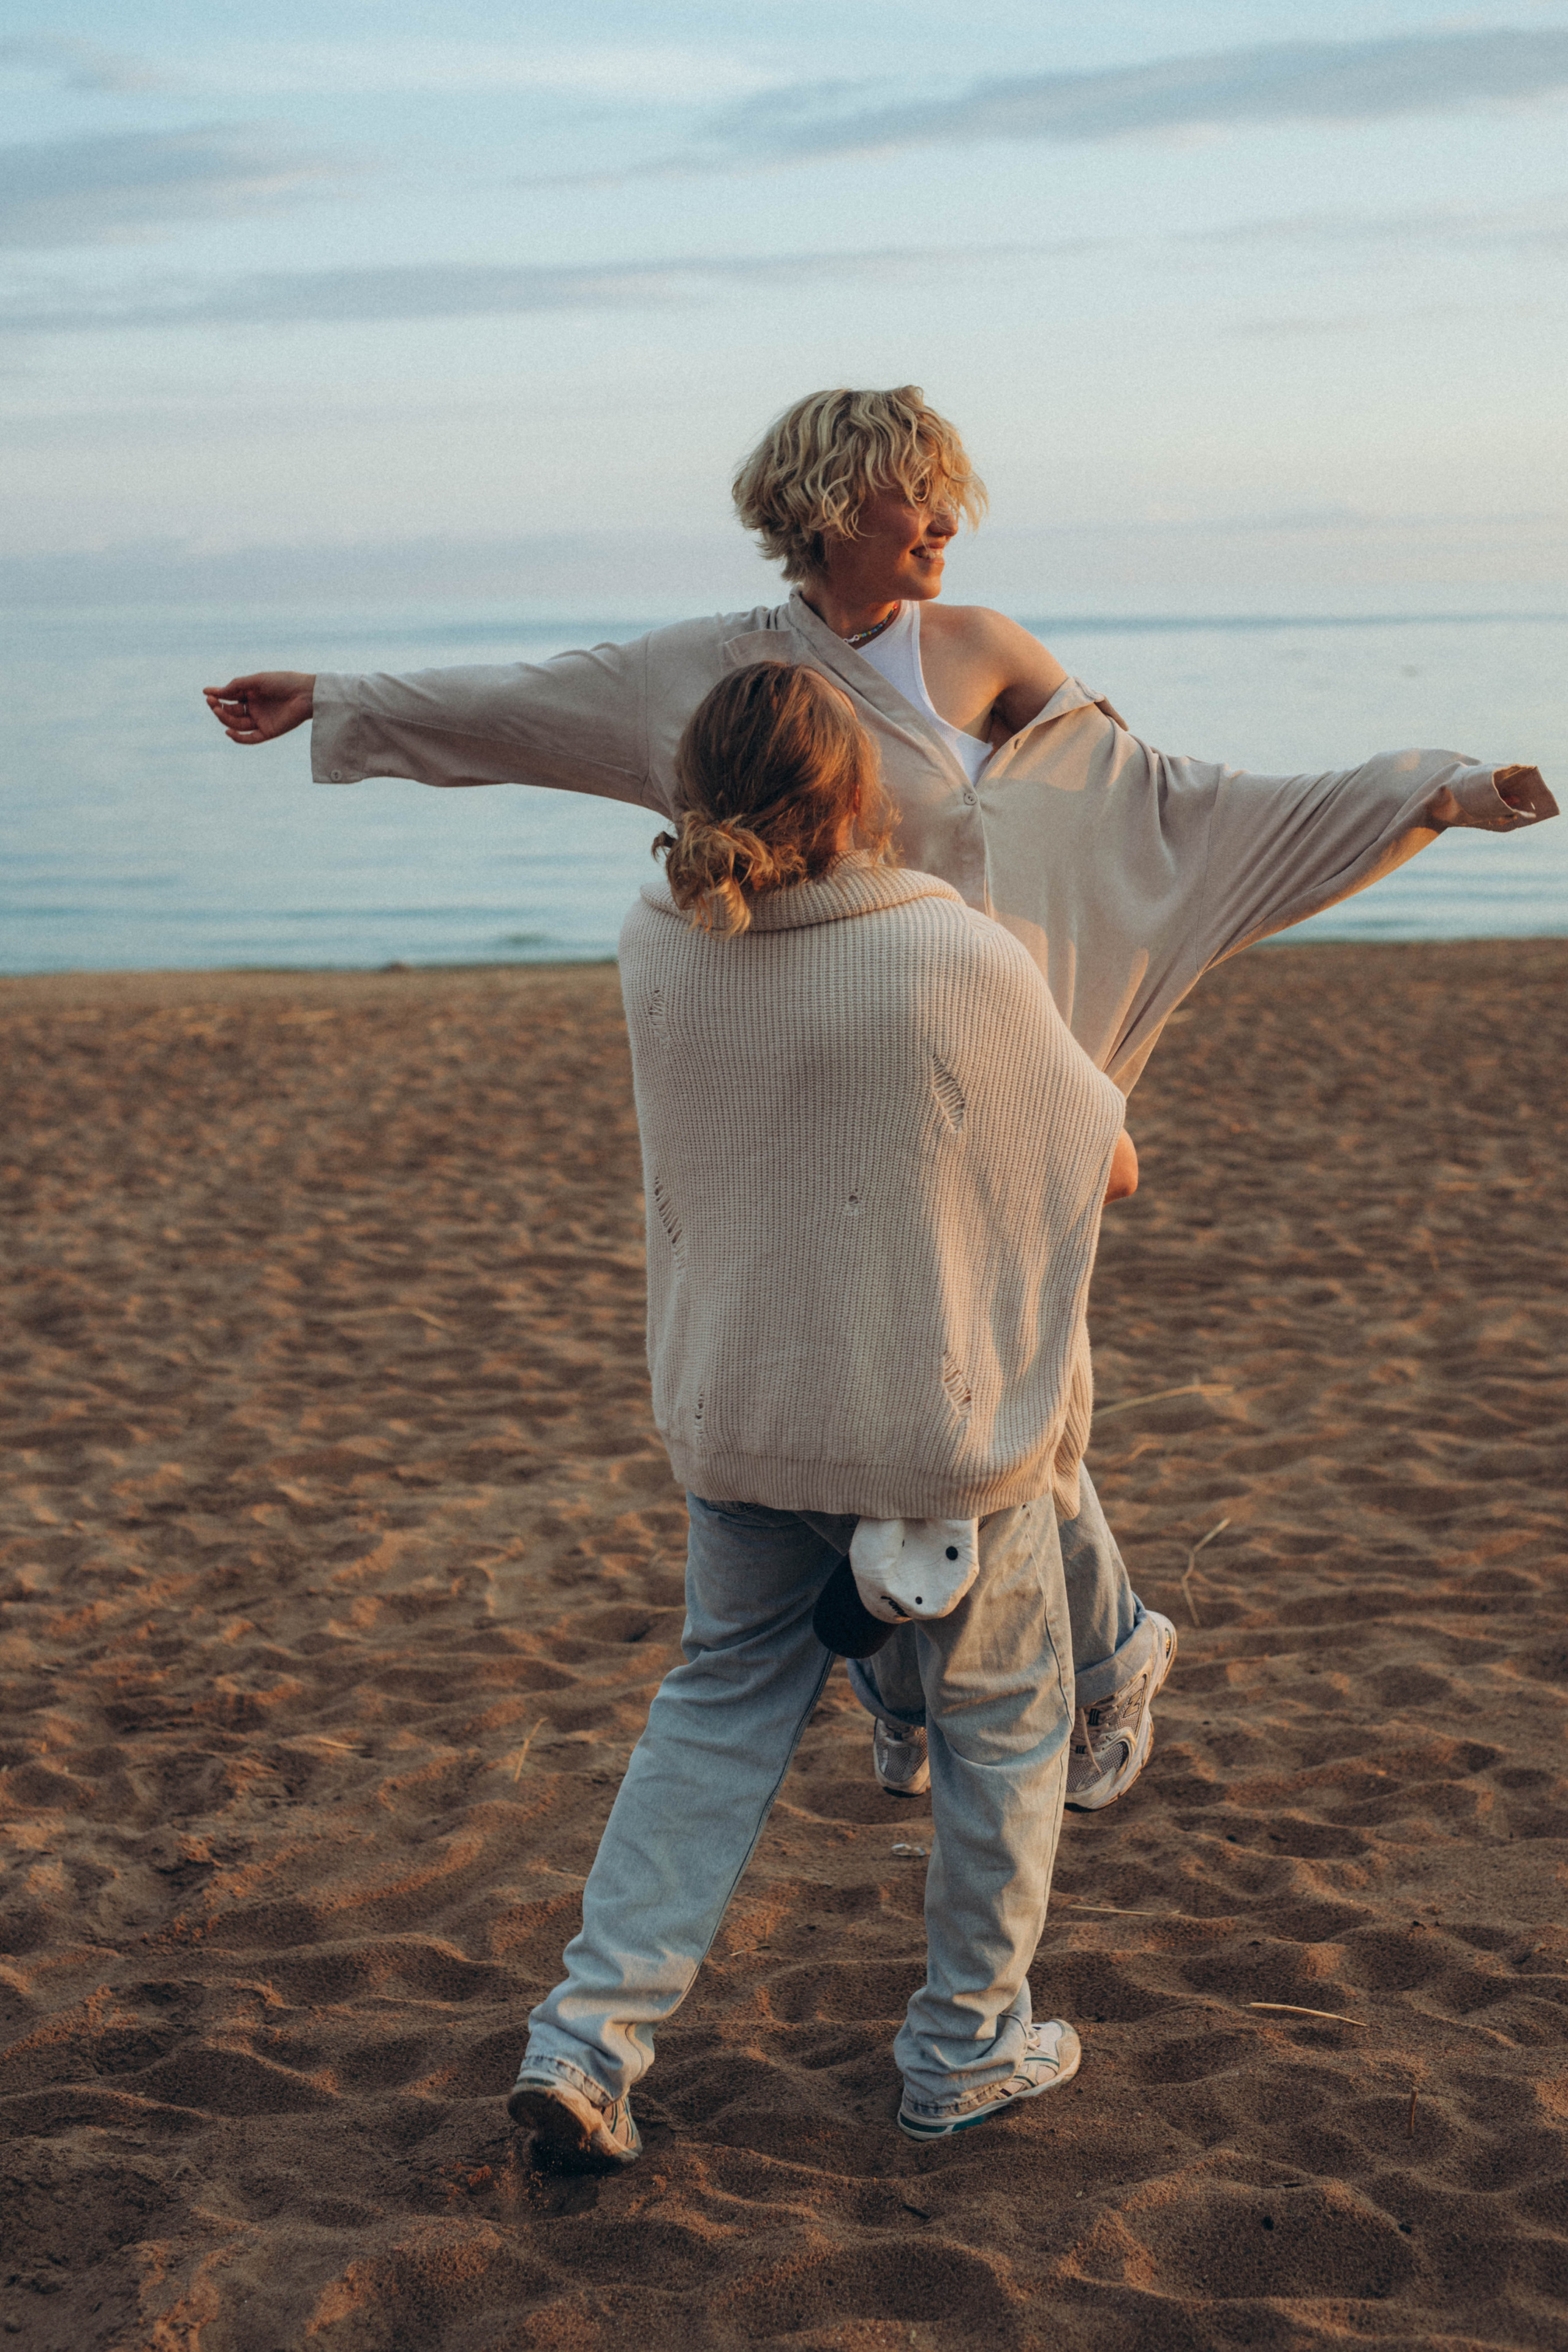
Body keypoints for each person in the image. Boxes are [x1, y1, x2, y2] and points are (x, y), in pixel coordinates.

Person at [202, 385, 1557, 1812]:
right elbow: (528, 703)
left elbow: (1168, 801)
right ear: (837, 503)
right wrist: (337, 699)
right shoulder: (707, 674)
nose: (948, 521)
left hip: (996, 1064)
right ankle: (1020, 1670)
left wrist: (1434, 789)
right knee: (901, 1409)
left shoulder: (974, 649)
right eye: (920, 495)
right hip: (838, 1100)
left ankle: (1049, 1672)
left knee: (1008, 1399)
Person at [511, 658, 1129, 2168]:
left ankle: (585, 2041)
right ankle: (966, 2047)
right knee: (1001, 1730)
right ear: (862, 792)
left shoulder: (655, 942)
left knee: (712, 1722)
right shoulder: (949, 951)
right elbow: (1099, 1167)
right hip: (926, 1435)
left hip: (741, 1416)